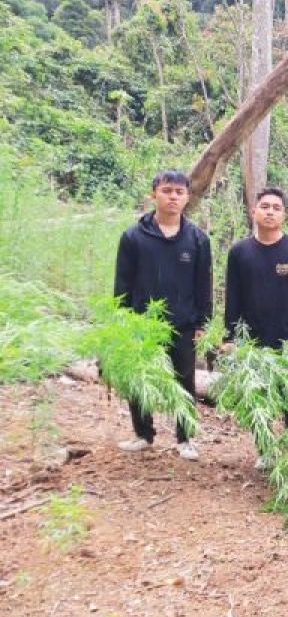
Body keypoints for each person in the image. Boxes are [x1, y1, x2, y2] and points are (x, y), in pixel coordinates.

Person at [113, 169, 212, 461]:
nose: (173, 197)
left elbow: (203, 284)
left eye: (179, 192)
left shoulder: (197, 239)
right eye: (167, 191)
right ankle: (143, 434)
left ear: (187, 197)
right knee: (140, 378)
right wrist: (123, 320)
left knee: (184, 381)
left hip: (183, 323)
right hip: (142, 323)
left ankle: (185, 439)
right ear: (153, 194)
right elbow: (122, 283)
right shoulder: (133, 236)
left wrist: (202, 322)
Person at [223, 187, 288, 355]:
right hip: (248, 343)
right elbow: (233, 297)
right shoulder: (239, 251)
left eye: (276, 208)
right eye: (264, 207)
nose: (270, 212)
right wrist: (229, 337)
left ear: (284, 215)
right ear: (253, 212)